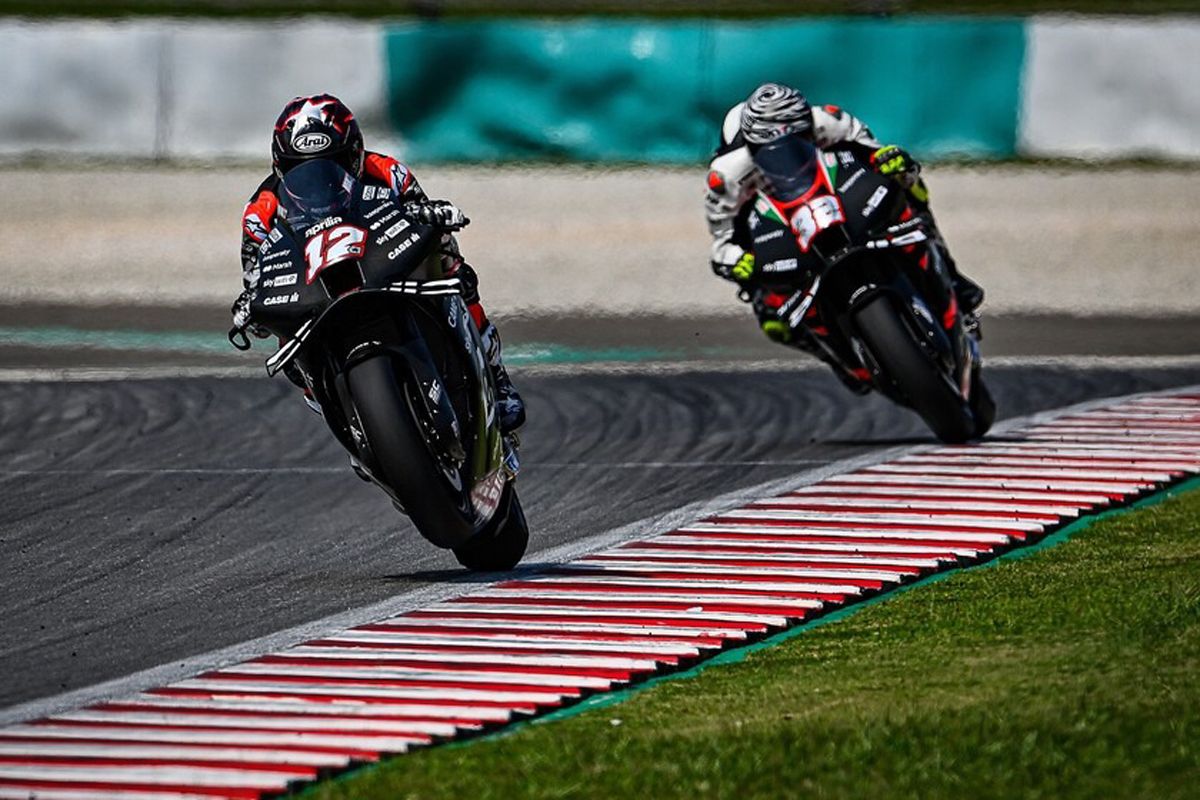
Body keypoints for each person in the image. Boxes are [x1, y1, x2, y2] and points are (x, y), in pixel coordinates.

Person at [231, 94, 524, 432]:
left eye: (333, 164)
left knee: (451, 263)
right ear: (280, 166)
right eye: (301, 171)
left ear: (355, 154)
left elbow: (423, 222)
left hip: (380, 263)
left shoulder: (389, 173)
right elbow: (257, 277)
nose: (318, 182)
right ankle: (345, 420)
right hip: (313, 286)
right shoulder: (259, 212)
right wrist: (251, 307)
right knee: (285, 339)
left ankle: (496, 376)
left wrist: (436, 216)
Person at [704, 83, 985, 389]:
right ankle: (839, 361)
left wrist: (898, 165)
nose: (788, 150)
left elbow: (876, 155)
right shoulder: (726, 175)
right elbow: (722, 241)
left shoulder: (830, 120)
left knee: (911, 192)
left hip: (835, 201)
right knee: (774, 321)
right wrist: (737, 261)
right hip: (777, 236)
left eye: (799, 138)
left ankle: (953, 280)